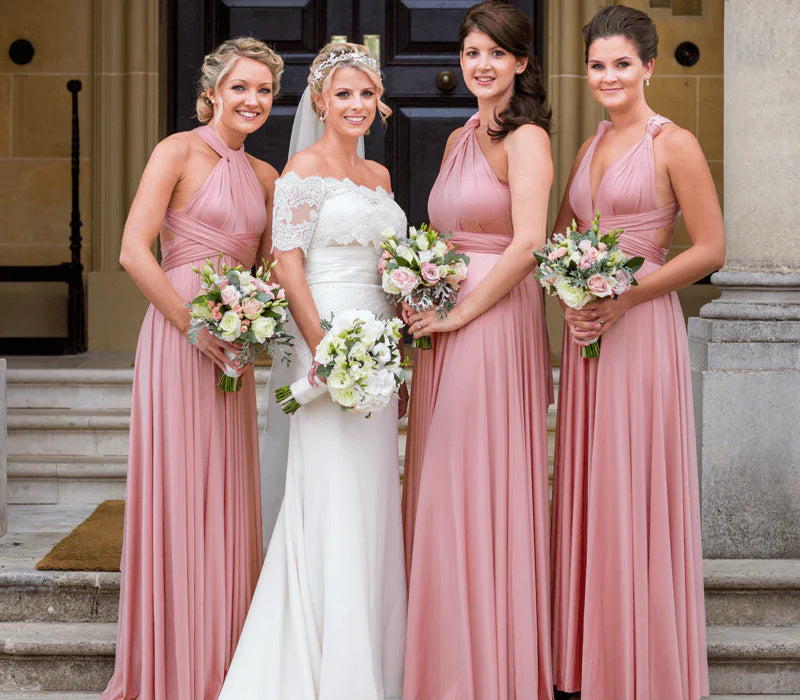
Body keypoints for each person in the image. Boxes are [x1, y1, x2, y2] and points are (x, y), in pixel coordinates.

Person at [218, 42, 407, 699]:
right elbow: (289, 263)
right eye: (343, 94)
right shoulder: (301, 170)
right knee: (330, 497)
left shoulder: (381, 179)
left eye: (366, 94)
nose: (356, 105)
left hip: (377, 353)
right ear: (320, 102)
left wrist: (393, 348)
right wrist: (324, 344)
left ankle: (371, 664)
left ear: (377, 101)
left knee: (372, 497)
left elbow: (389, 271)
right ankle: (320, 670)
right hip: (324, 346)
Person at [100, 38, 283, 700]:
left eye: (264, 90)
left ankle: (226, 656)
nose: (254, 100)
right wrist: (191, 323)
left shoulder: (267, 178)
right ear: (213, 91)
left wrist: (252, 319)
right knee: (178, 488)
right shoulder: (174, 151)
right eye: (241, 87)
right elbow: (131, 251)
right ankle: (170, 663)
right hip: (179, 339)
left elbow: (266, 272)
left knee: (229, 491)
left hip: (232, 346)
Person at [550, 6, 724, 699]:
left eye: (622, 63)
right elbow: (566, 235)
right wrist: (572, 295)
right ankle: (594, 660)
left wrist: (625, 297)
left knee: (632, 485)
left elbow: (710, 249)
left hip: (641, 325)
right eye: (597, 65)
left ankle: (642, 669)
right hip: (589, 325)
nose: (608, 76)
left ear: (649, 67)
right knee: (593, 486)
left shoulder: (671, 142)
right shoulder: (590, 144)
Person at [401, 2, 555, 697]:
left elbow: (528, 243)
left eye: (496, 53)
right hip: (446, 325)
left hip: (490, 325)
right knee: (440, 480)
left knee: (470, 482)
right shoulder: (463, 132)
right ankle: (442, 659)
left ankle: (486, 666)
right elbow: (446, 235)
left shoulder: (527, 139)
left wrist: (461, 312)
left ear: (521, 62)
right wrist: (421, 293)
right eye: (471, 54)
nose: (481, 65)